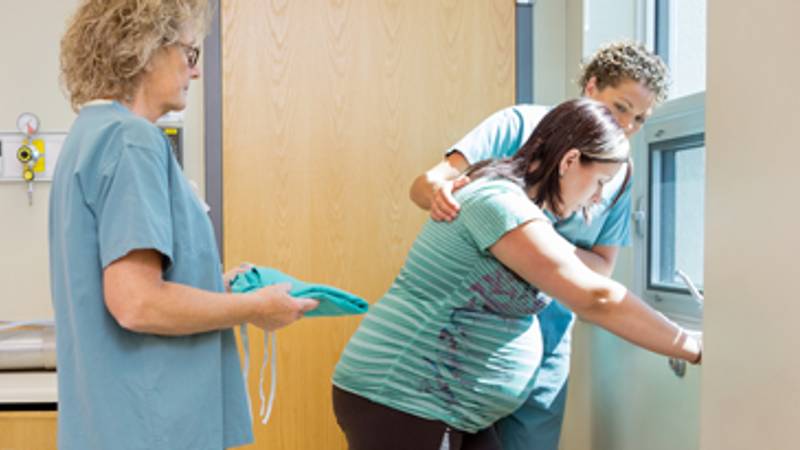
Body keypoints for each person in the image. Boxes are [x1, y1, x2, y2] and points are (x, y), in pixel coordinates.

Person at [332, 99, 701, 450]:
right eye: (600, 182)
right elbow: (595, 298)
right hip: (403, 394)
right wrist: (692, 347)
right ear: (570, 160)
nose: (596, 199)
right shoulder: (499, 204)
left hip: (452, 407)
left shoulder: (527, 212)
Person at [50, 1, 318, 449]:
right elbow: (137, 302)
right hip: (154, 428)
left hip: (109, 425)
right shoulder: (131, 140)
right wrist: (254, 309)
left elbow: (125, 283)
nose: (195, 72)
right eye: (190, 54)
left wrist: (217, 290)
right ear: (146, 49)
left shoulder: (88, 135)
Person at [408, 41, 670, 450]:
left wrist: (531, 239)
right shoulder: (518, 125)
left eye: (640, 118)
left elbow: (600, 269)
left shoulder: (618, 174)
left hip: (543, 345)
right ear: (591, 85)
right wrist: (440, 194)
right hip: (462, 340)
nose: (628, 126)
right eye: (621, 108)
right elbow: (425, 186)